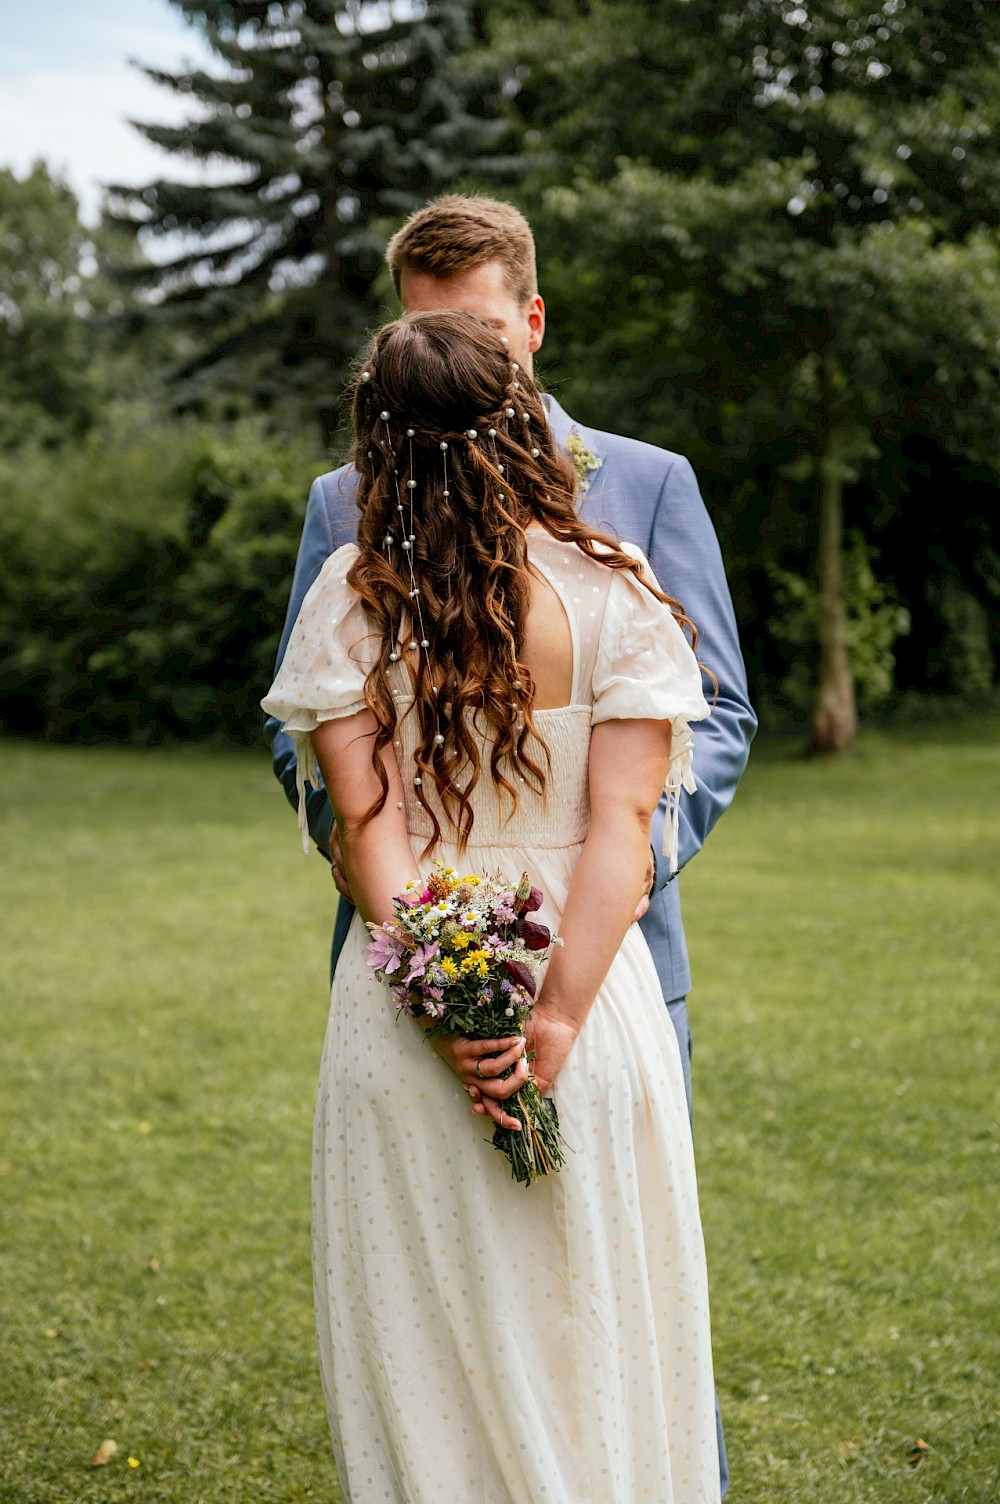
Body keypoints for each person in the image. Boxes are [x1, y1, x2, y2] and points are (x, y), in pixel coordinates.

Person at [265, 194, 755, 1497]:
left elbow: (721, 723)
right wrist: (463, 946)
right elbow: (314, 767)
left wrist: (620, 871)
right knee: (454, 1314)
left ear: (528, 324)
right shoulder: (344, 520)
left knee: (615, 1300)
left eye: (468, 330)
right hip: (463, 964)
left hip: (585, 957)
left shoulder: (649, 487)